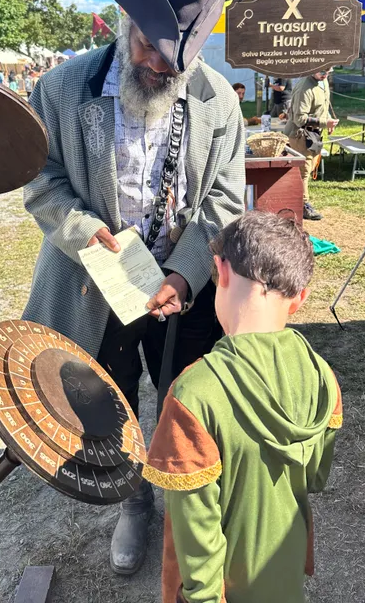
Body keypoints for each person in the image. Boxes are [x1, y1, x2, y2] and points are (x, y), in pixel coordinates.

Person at [23, 0, 245, 576]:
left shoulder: (217, 100)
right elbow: (41, 180)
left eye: (172, 53)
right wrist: (86, 232)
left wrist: (185, 271)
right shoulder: (63, 88)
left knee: (185, 392)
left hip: (181, 279)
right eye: (145, 43)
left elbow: (226, 198)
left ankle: (187, 489)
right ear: (123, 22)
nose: (154, 60)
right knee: (110, 395)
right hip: (100, 279)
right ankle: (134, 499)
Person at [144, 211, 342, 603]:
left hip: (225, 588)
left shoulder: (193, 395)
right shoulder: (323, 376)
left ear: (221, 271)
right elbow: (316, 478)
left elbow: (195, 527)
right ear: (299, 299)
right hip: (283, 572)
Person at [284, 70, 339, 221]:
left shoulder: (323, 81)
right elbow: (299, 119)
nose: (325, 74)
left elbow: (323, 105)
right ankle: (303, 205)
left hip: (313, 134)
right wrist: (324, 122)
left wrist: (327, 120)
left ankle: (299, 200)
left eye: (328, 71)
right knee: (304, 171)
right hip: (300, 134)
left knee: (309, 168)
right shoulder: (304, 88)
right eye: (322, 71)